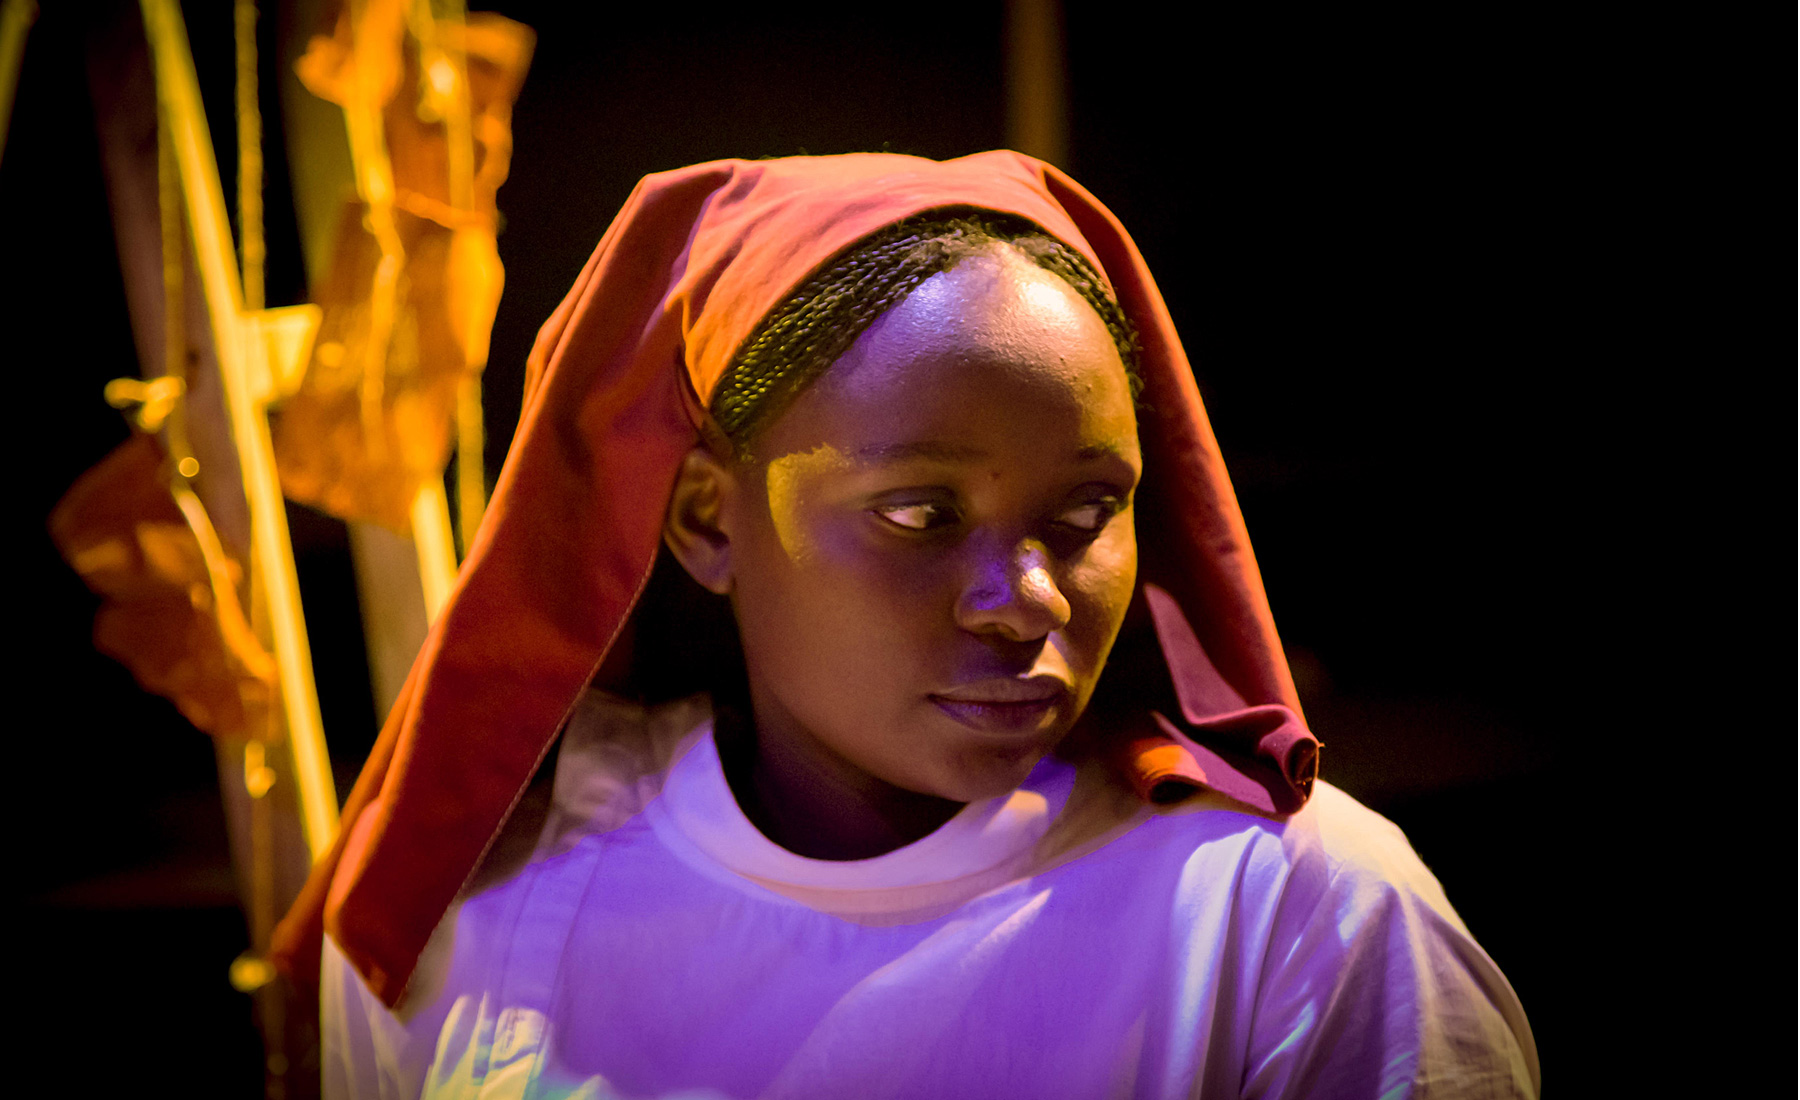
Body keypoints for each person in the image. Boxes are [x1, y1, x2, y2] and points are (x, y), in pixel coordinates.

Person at [273, 151, 1539, 1099]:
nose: (1031, 597)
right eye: (922, 513)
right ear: (707, 519)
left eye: (1087, 511)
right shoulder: (482, 918)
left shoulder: (1293, 914)